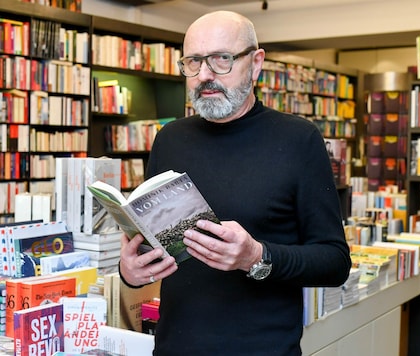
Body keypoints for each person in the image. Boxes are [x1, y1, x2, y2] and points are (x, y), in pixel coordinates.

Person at [117, 11, 352, 355]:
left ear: (256, 63)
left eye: (221, 60)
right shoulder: (170, 139)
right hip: (173, 347)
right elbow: (152, 246)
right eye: (193, 62)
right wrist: (130, 271)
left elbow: (334, 262)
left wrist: (256, 256)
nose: (205, 76)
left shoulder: (298, 140)